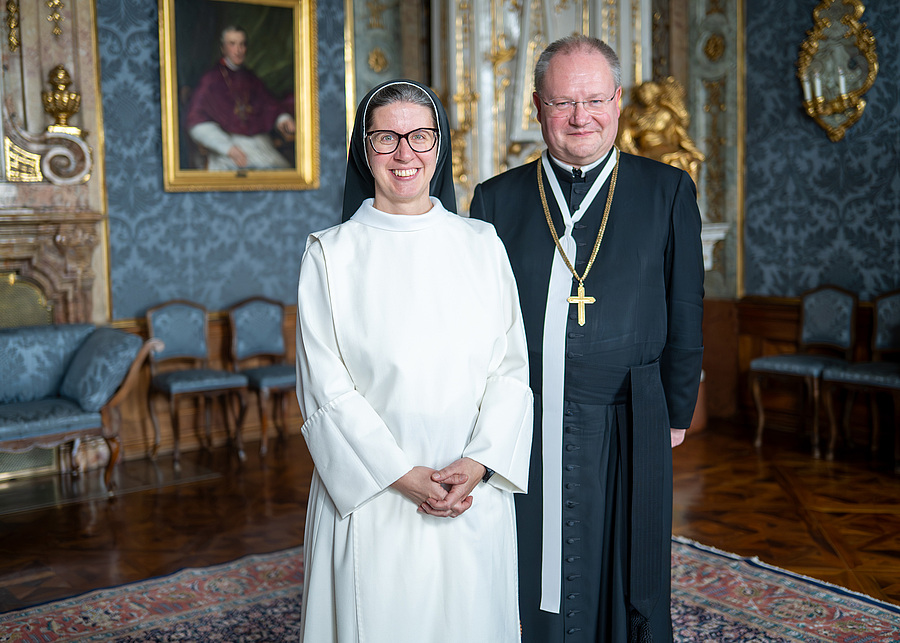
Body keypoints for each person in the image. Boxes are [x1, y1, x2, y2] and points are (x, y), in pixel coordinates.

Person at [467, 36, 704, 642]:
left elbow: (685, 306)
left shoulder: (666, 191)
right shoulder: (496, 200)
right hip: (527, 417)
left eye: (595, 99)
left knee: (630, 568)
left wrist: (676, 410)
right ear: (538, 107)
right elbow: (476, 325)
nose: (581, 117)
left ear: (618, 101)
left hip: (631, 411)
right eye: (563, 102)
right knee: (529, 566)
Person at [295, 79, 534, 642]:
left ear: (439, 147)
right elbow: (325, 389)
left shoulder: (483, 244)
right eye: (386, 138)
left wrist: (477, 464)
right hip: (372, 493)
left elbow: (511, 368)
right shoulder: (330, 253)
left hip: (471, 490)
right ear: (364, 150)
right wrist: (402, 477)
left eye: (420, 137)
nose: (404, 154)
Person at [184, 26, 295, 171]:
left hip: (260, 144)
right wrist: (228, 148)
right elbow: (196, 123)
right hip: (228, 150)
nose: (238, 50)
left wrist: (283, 120)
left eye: (242, 44)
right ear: (223, 48)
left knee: (283, 172)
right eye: (232, 44)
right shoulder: (210, 80)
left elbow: (270, 105)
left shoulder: (251, 78)